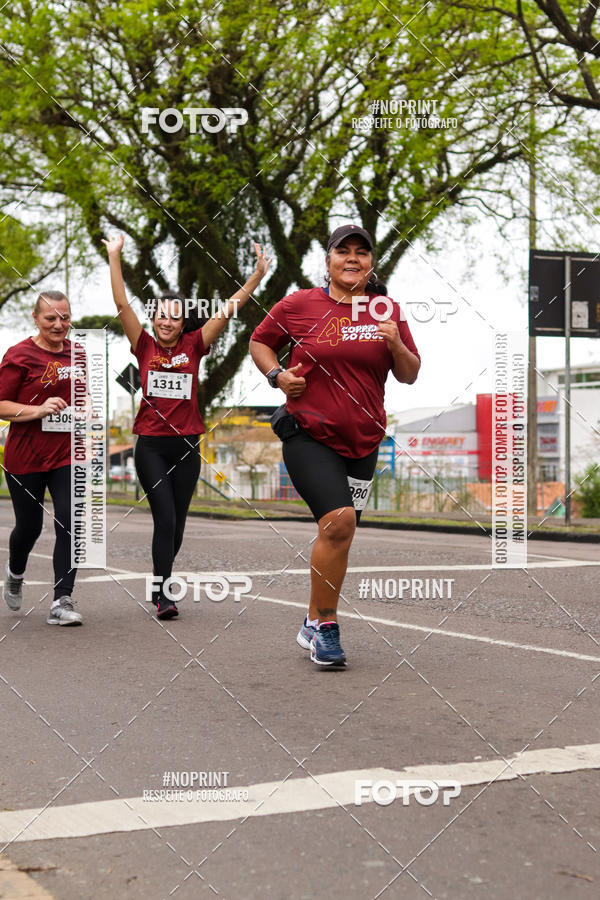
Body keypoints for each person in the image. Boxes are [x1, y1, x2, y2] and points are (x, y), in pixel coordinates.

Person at [250, 224, 420, 667]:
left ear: (370, 263)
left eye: (361, 252)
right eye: (343, 251)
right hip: (308, 432)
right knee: (339, 521)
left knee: (339, 535)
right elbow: (259, 341)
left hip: (364, 440)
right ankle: (327, 627)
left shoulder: (386, 310)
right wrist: (277, 376)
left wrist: (395, 342)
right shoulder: (299, 304)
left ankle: (311, 620)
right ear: (327, 261)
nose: (352, 258)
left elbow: (409, 373)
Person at [103, 235, 271, 619]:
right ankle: (164, 595)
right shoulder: (143, 345)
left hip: (187, 446)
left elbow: (228, 310)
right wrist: (114, 256)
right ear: (153, 318)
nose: (166, 322)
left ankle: (158, 580)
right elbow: (121, 303)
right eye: (161, 315)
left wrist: (257, 277)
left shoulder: (195, 344)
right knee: (164, 518)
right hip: (151, 446)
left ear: (183, 323)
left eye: (174, 317)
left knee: (176, 527)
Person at [0, 291, 82, 625]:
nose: (59, 324)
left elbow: (83, 396)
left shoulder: (78, 354)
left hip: (66, 454)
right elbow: (1, 405)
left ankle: (62, 600)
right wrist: (38, 409)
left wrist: (88, 409)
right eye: (50, 318)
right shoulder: (19, 355)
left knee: (70, 520)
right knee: (29, 527)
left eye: (65, 317)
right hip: (25, 456)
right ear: (35, 318)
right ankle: (15, 572)